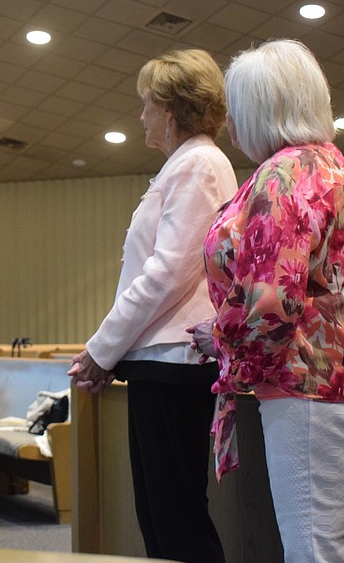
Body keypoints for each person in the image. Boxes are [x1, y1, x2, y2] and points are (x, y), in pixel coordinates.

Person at [188, 40, 344, 563]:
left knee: (312, 552)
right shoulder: (329, 165)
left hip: (311, 381)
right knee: (317, 545)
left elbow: (272, 301)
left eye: (236, 110)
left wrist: (220, 339)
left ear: (260, 109)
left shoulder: (285, 176)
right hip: (337, 374)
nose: (230, 125)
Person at [67, 49, 236, 562]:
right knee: (161, 520)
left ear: (171, 109)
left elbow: (167, 273)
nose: (140, 115)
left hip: (175, 362)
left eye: (146, 103)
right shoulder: (183, 165)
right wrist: (113, 353)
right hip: (159, 360)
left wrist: (101, 349)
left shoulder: (198, 164)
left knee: (177, 521)